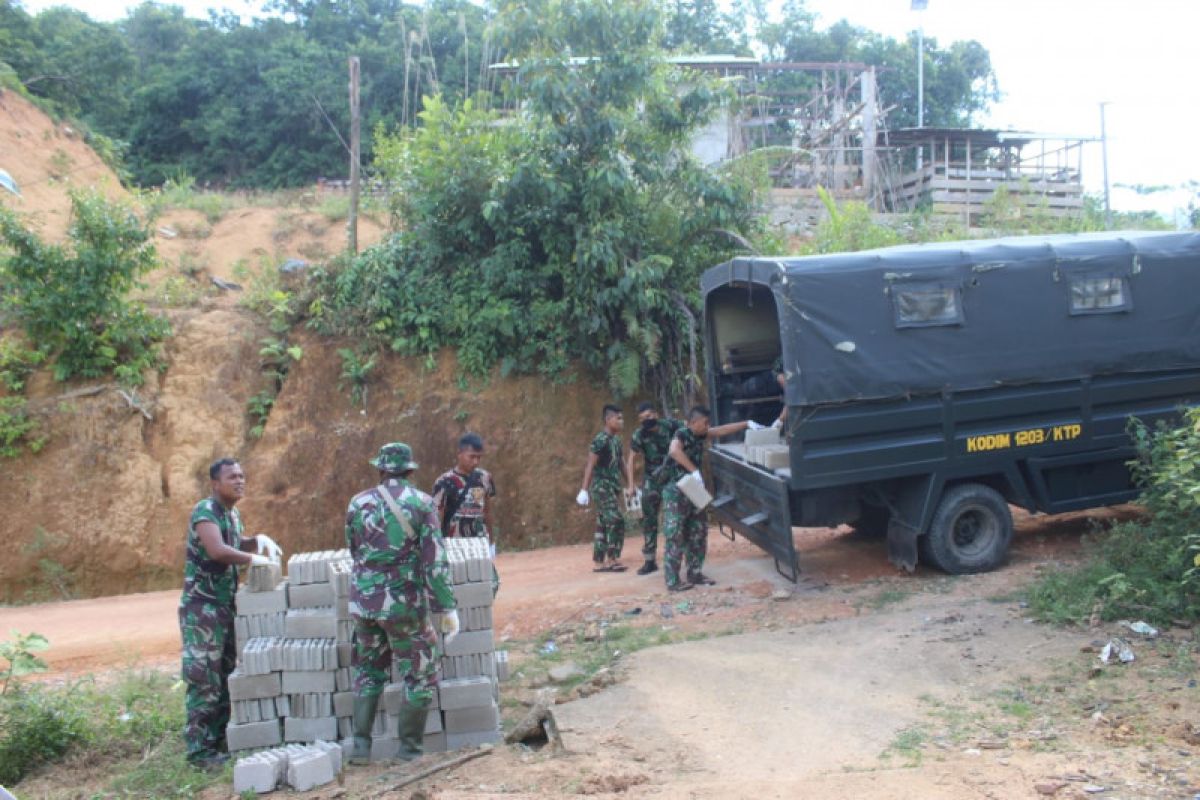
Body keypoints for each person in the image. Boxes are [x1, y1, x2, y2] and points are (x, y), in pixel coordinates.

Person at [346, 442, 458, 765]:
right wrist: (445, 607)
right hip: (403, 606)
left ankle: (361, 749)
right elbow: (433, 562)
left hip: (364, 604)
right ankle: (408, 751)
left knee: (368, 671)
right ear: (410, 470)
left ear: (380, 469)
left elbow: (354, 549)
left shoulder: (357, 503)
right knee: (419, 674)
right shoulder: (422, 504)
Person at [179, 457, 282, 770]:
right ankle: (199, 752)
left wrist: (256, 541)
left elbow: (233, 543)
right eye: (232, 477)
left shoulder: (232, 514)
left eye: (242, 475)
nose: (240, 481)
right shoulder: (205, 512)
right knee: (204, 680)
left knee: (224, 677)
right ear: (215, 483)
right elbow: (218, 550)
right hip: (202, 609)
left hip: (224, 607)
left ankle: (219, 743)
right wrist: (253, 558)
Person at [661, 406, 759, 592]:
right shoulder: (682, 433)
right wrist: (694, 470)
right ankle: (673, 581)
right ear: (693, 422)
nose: (708, 426)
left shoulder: (700, 434)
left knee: (698, 531)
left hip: (693, 490)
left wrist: (746, 424)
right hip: (676, 491)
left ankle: (695, 573)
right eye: (705, 422)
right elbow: (674, 451)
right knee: (676, 534)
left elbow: (720, 430)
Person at [432, 432, 500, 594]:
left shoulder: (485, 478)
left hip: (478, 542)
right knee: (457, 586)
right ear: (460, 454)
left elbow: (487, 510)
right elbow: (437, 516)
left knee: (488, 583)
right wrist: (437, 546)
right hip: (454, 544)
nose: (475, 461)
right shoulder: (444, 482)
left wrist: (491, 542)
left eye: (479, 457)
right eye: (471, 457)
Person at [626, 401, 685, 576]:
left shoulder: (672, 426)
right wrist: (631, 485)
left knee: (673, 519)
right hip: (652, 480)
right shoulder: (639, 435)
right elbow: (631, 460)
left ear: (656, 415)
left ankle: (674, 558)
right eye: (642, 418)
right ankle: (650, 561)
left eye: (649, 416)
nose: (646, 421)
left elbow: (689, 435)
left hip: (672, 478)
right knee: (649, 520)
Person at [577, 404, 634, 572]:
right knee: (616, 520)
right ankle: (612, 558)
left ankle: (599, 562)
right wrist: (584, 489)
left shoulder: (616, 441)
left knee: (603, 524)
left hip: (612, 487)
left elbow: (622, 464)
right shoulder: (600, 440)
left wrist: (631, 484)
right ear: (608, 420)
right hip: (602, 487)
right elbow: (590, 465)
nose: (621, 421)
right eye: (618, 418)